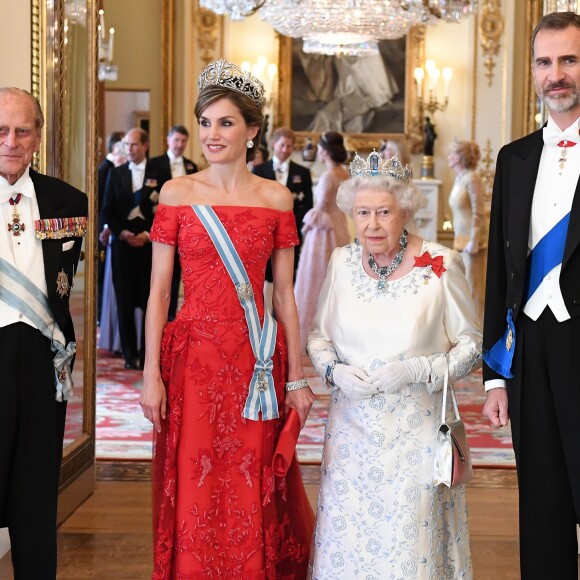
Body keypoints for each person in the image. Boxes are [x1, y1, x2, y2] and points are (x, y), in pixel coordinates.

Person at [139, 59, 315, 578]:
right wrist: (151, 374)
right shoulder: (177, 195)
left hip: (256, 361)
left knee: (249, 475)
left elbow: (284, 294)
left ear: (253, 130)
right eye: (206, 122)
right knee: (197, 475)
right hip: (193, 360)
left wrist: (296, 372)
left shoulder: (277, 199)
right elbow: (160, 291)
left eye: (226, 122)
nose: (212, 134)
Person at [307, 150, 481, 578]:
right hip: (351, 433)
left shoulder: (441, 265)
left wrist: (419, 370)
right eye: (362, 212)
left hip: (417, 434)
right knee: (349, 539)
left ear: (405, 209)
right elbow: (317, 337)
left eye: (383, 212)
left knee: (410, 544)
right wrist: (334, 371)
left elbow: (472, 345)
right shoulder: (341, 263)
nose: (371, 224)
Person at [482, 12, 580, 578]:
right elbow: (499, 266)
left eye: (568, 60)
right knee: (541, 508)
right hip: (531, 353)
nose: (556, 74)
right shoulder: (514, 158)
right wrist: (496, 374)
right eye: (545, 62)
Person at [0, 87, 87, 578]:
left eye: (22, 131)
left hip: (41, 363)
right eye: (1, 131)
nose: (11, 141)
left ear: (38, 137)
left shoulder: (66, 202)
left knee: (35, 496)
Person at [100, 128, 162, 369]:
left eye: (134, 144)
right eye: (126, 145)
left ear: (145, 146)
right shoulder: (116, 174)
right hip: (123, 249)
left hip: (149, 249)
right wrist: (121, 232)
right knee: (125, 302)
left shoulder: (160, 173)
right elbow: (107, 210)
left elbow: (166, 211)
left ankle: (148, 354)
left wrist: (147, 235)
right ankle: (128, 355)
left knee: (150, 302)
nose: (130, 149)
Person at [294, 131, 351, 350]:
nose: (317, 152)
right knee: (336, 279)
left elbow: (319, 208)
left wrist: (306, 227)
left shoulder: (328, 176)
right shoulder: (344, 173)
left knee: (316, 278)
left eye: (319, 148)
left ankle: (313, 334)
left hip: (323, 233)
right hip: (339, 226)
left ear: (325, 152)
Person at [149, 125, 198, 321]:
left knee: (179, 273)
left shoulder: (192, 166)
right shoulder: (154, 164)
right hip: (162, 226)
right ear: (168, 140)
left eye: (183, 141)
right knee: (160, 278)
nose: (179, 145)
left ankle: (172, 319)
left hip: (186, 229)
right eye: (176, 140)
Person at [252, 127, 313, 280]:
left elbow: (308, 203)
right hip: (264, 228)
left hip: (291, 228)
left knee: (288, 270)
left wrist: (292, 221)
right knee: (264, 271)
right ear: (274, 144)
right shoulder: (259, 170)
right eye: (282, 145)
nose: (285, 150)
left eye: (289, 146)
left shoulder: (303, 173)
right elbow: (253, 200)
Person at [447, 139, 487, 326]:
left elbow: (479, 211)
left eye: (452, 154)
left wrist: (475, 239)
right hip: (460, 241)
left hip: (473, 244)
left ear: (461, 157)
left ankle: (479, 336)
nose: (449, 157)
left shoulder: (472, 178)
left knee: (474, 290)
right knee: (464, 289)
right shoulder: (460, 177)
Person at [97, 131, 125, 324]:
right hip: (105, 229)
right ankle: (101, 315)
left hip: (114, 228)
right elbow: (102, 203)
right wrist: (106, 227)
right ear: (115, 148)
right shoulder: (105, 169)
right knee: (103, 273)